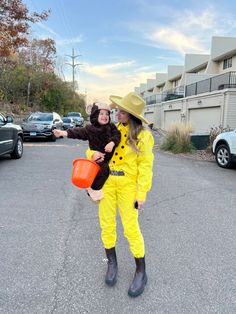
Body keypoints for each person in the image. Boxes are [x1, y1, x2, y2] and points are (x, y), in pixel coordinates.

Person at [86, 92, 154, 297]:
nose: (117, 112)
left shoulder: (143, 136)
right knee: (106, 224)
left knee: (131, 228)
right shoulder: (110, 130)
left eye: (122, 110)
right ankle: (112, 264)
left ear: (131, 115)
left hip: (128, 186)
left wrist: (141, 193)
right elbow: (90, 148)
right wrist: (92, 154)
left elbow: (146, 167)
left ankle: (141, 271)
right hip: (106, 182)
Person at [53, 103, 121, 201]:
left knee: (104, 172)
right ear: (95, 115)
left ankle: (92, 188)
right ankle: (93, 189)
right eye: (101, 113)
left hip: (108, 158)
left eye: (107, 114)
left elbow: (117, 135)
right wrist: (63, 133)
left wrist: (112, 143)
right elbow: (78, 132)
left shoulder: (111, 127)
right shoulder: (90, 129)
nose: (104, 116)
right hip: (97, 159)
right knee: (102, 171)